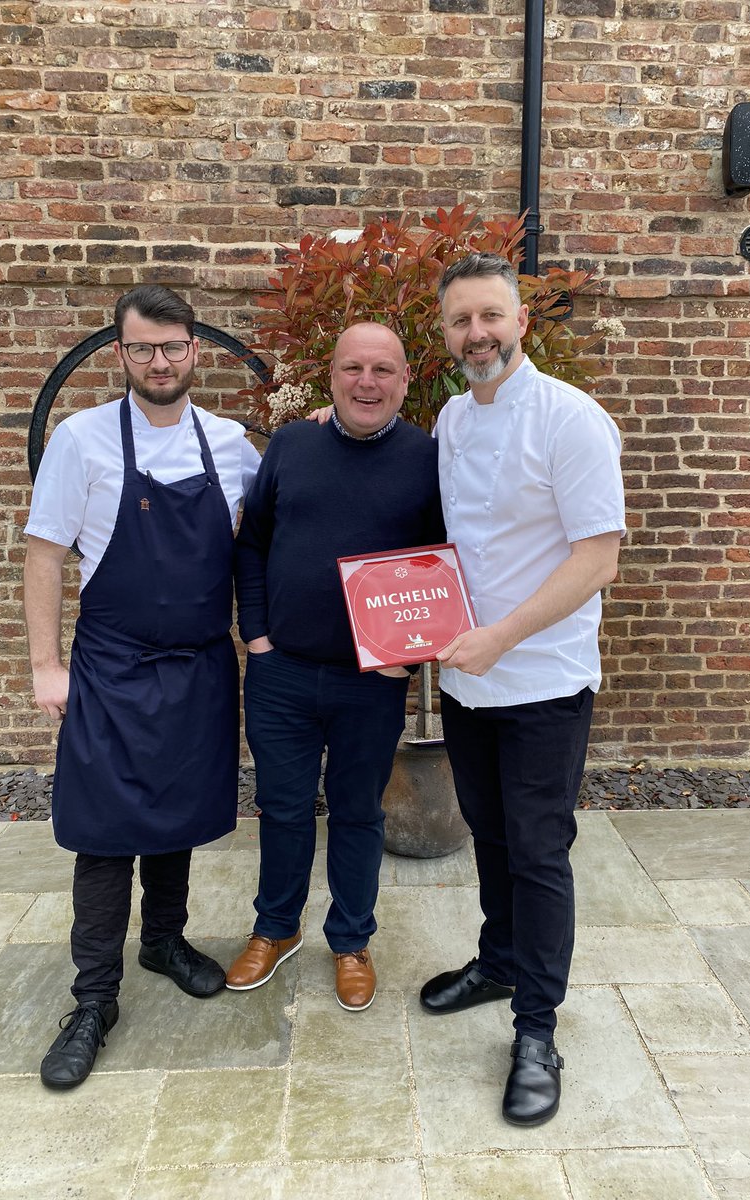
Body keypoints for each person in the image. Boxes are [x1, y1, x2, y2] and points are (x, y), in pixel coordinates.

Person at [23, 284, 260, 1089]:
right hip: (112, 667)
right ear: (119, 355)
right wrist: (45, 666)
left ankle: (164, 939)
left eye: (173, 346)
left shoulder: (228, 444)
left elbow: (278, 534)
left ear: (195, 350)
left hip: (197, 666)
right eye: (142, 349)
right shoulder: (82, 440)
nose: (160, 362)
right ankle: (92, 1000)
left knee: (176, 816)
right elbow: (45, 556)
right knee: (102, 831)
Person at [418, 253, 626, 1126]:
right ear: (445, 334)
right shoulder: (451, 421)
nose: (479, 334)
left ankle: (537, 1030)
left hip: (540, 681)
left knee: (539, 854)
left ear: (521, 322)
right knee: (492, 838)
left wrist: (500, 636)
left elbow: (597, 558)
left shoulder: (572, 420)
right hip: (469, 688)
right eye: (462, 320)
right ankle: (498, 958)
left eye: (491, 317)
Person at [226, 322, 444, 1011]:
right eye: (353, 368)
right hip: (280, 672)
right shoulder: (291, 445)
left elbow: (442, 569)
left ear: (406, 382)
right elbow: (252, 543)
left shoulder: (428, 459)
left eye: (383, 370)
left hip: (368, 683)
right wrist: (255, 634)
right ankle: (276, 929)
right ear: (332, 377)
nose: (367, 382)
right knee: (283, 807)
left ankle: (350, 940)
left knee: (357, 813)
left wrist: (406, 660)